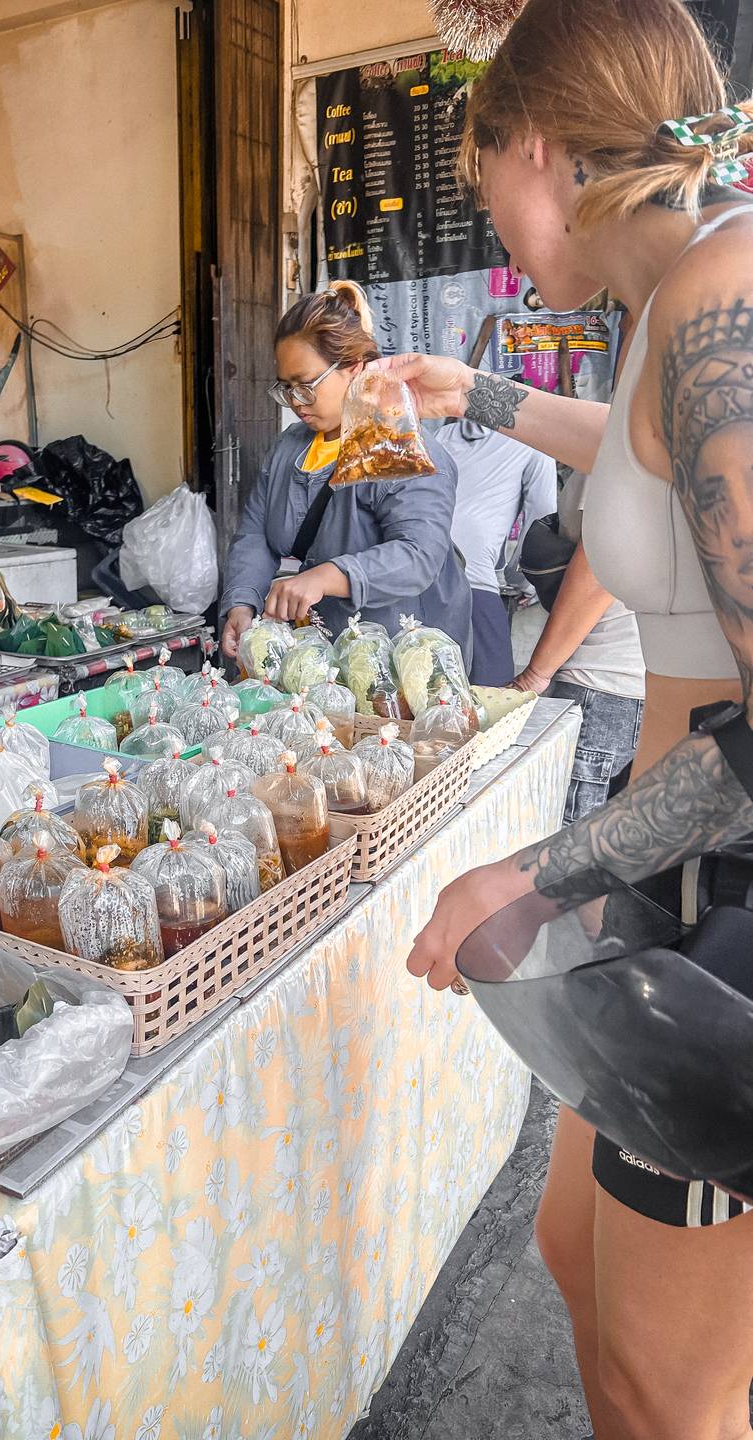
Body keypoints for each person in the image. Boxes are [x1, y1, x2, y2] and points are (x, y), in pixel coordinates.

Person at [381, 4, 753, 1437]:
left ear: (532, 144)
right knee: (576, 1259)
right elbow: (656, 457)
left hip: (725, 921)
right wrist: (481, 394)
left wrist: (536, 873)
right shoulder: (677, 306)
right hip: (663, 899)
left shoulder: (724, 298)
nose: (484, 210)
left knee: (669, 1385)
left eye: (479, 174)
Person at [219, 281, 472, 663]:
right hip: (327, 655)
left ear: (354, 369)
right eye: (286, 387)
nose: (296, 402)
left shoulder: (402, 448)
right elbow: (255, 535)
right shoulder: (289, 448)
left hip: (406, 656)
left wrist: (326, 576)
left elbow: (418, 555)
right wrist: (242, 602)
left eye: (306, 386)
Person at [514, 471, 646, 823]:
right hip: (628, 680)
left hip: (600, 683)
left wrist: (534, 675)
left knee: (563, 835)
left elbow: (601, 569)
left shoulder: (614, 462)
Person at [443, 418, 557, 685]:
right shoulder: (535, 439)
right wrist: (524, 581)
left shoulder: (442, 435)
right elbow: (542, 521)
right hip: (474, 580)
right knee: (496, 692)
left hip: (418, 578)